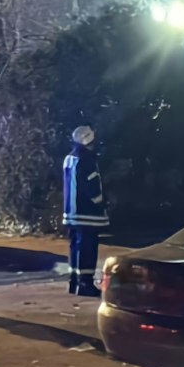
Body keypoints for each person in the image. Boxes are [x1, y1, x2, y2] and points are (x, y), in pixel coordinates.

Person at [61, 126, 107, 298]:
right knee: (88, 248)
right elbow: (92, 186)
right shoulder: (87, 159)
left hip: (71, 212)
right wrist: (100, 203)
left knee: (75, 247)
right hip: (87, 213)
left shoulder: (69, 158)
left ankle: (74, 281)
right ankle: (85, 283)